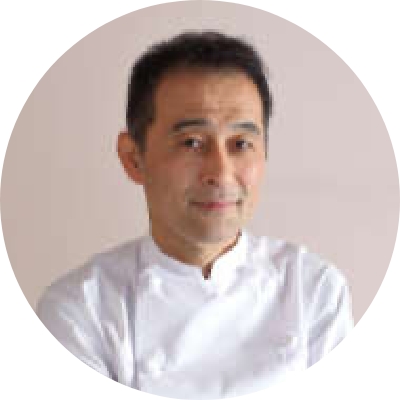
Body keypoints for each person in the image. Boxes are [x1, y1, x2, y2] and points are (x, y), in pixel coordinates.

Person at [37, 31, 354, 399]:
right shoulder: (81, 310)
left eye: (241, 144)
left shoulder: (313, 290)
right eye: (192, 143)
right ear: (134, 158)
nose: (220, 173)